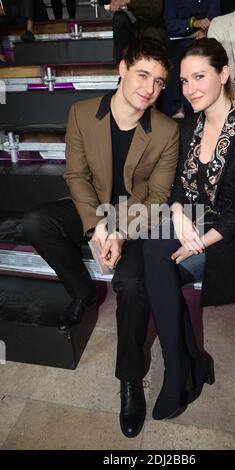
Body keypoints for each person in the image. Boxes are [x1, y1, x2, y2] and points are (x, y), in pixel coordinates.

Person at [22, 37, 179, 438]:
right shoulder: (81, 112)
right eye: (143, 74)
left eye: (160, 82)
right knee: (38, 222)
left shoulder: (165, 130)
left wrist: (121, 232)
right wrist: (97, 227)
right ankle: (83, 291)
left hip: (138, 218)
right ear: (123, 69)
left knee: (131, 283)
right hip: (93, 206)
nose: (150, 88)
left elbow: (158, 196)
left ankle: (130, 377)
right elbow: (75, 175)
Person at [142, 38, 235, 420]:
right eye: (183, 81)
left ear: (224, 74)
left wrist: (199, 242)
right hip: (192, 222)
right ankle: (187, 362)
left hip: (228, 241)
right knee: (151, 253)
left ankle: (183, 367)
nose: (190, 89)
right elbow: (177, 187)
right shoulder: (187, 127)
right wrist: (180, 214)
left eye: (199, 77)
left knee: (153, 267)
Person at [162, 0, 220, 117]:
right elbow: (170, 24)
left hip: (206, 36)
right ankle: (177, 106)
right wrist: (193, 23)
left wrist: (207, 32)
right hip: (179, 39)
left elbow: (216, 18)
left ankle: (190, 105)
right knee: (181, 51)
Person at [99, 0, 165, 64]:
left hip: (152, 25)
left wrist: (128, 1)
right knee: (119, 19)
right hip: (129, 24)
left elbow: (155, 9)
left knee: (152, 35)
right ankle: (122, 65)